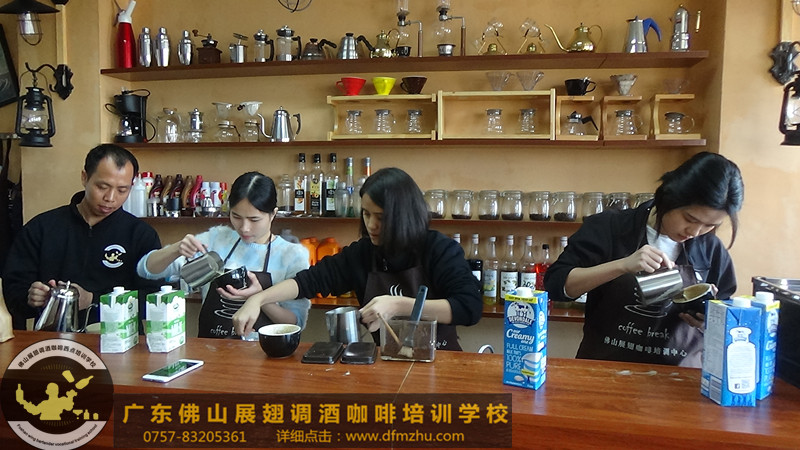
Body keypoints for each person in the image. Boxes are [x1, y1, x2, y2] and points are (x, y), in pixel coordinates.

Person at [233, 167, 482, 350]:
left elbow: (469, 307)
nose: (371, 225)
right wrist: (259, 298)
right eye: (366, 214)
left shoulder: (439, 249)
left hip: (440, 361)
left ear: (404, 215)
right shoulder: (362, 253)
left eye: (381, 217)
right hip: (386, 360)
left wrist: (398, 305)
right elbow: (308, 281)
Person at [544, 152, 744, 367]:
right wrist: (622, 265)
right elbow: (557, 286)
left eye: (710, 225)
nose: (695, 232)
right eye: (689, 218)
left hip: (679, 378)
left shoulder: (711, 249)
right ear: (670, 196)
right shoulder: (609, 228)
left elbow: (728, 317)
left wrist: (710, 321)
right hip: (605, 370)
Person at [2, 144, 163, 330]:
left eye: (122, 190)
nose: (110, 198)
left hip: (120, 340)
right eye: (102, 187)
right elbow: (12, 292)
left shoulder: (140, 234)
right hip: (54, 340)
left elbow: (155, 299)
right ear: (84, 177)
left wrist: (94, 299)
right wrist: (32, 297)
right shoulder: (42, 228)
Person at [137, 172, 310, 338]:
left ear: (273, 214)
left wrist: (260, 298)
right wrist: (176, 249)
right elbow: (147, 270)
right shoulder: (216, 240)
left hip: (264, 352)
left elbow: (296, 323)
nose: (244, 228)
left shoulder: (292, 255)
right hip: (212, 349)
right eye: (236, 216)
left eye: (254, 219)